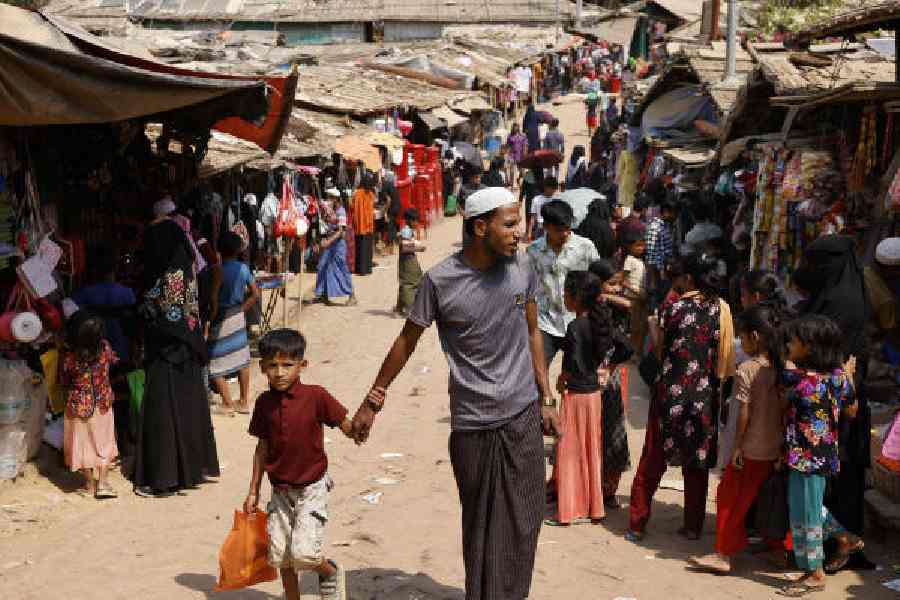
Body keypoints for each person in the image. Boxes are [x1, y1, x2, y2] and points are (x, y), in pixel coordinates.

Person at [350, 187, 561, 600]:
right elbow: (407, 340)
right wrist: (373, 400)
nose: (519, 233)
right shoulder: (440, 281)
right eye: (510, 223)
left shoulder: (522, 270)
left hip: (521, 414)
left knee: (524, 518)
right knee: (480, 525)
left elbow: (533, 329)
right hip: (472, 424)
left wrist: (547, 396)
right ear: (480, 226)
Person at [627, 252, 736, 541]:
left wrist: (652, 326)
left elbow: (663, 350)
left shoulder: (673, 308)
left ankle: (637, 522)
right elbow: (724, 358)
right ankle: (693, 526)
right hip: (703, 395)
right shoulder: (721, 310)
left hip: (670, 394)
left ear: (688, 279)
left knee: (653, 457)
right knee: (696, 461)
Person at [244, 329, 354, 600]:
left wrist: (359, 427)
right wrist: (253, 490)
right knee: (280, 555)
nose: (279, 372)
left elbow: (347, 426)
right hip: (280, 489)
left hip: (311, 486)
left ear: (302, 366)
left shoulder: (316, 396)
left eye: (287, 365)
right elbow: (261, 448)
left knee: (304, 553)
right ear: (262, 367)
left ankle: (328, 572)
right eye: (272, 365)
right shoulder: (263, 403)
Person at [791, 235, 873, 570]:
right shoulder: (838, 293)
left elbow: (825, 351)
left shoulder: (842, 301)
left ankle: (834, 546)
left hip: (834, 404)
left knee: (830, 477)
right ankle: (818, 544)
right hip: (829, 400)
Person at [691, 305, 787, 574]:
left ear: (754, 336)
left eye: (743, 337)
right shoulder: (782, 369)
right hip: (772, 447)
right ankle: (778, 547)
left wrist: (737, 447)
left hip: (750, 448)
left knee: (730, 499)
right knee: (768, 498)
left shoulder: (747, 369)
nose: (741, 342)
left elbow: (744, 411)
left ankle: (723, 554)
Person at [133, 198, 219, 497]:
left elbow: (159, 312)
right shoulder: (186, 269)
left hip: (168, 349)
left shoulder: (166, 279)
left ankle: (164, 477)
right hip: (189, 346)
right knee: (187, 408)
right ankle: (188, 470)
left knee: (163, 411)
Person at [777, 315, 861, 596]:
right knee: (806, 509)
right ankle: (843, 539)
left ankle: (815, 572)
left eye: (795, 340)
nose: (790, 343)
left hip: (810, 458)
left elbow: (849, 410)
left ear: (810, 347)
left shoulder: (800, 379)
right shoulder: (835, 379)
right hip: (809, 456)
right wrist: (846, 375)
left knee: (808, 513)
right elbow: (851, 410)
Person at [547, 270, 629, 526]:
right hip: (594, 395)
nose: (563, 297)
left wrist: (561, 381)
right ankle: (594, 506)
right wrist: (607, 366)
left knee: (569, 451)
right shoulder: (601, 322)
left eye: (566, 293)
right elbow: (627, 347)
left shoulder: (575, 327)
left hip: (576, 396)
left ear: (575, 297)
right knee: (591, 450)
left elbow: (570, 365)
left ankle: (570, 509)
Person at [528, 200, 601, 368]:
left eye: (568, 227)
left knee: (578, 376)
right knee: (535, 374)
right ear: (546, 226)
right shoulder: (533, 251)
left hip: (577, 321)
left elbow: (598, 277)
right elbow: (526, 288)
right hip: (545, 323)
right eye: (560, 230)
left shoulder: (585, 247)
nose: (566, 233)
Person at [62, 311, 119, 499]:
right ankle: (102, 483)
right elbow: (112, 360)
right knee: (104, 443)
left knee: (82, 445)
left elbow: (64, 378)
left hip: (79, 405)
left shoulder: (71, 357)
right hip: (103, 403)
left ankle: (88, 484)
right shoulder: (105, 348)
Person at [208, 232, 259, 415]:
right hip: (237, 316)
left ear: (219, 249)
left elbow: (213, 299)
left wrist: (210, 321)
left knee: (213, 361)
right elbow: (255, 294)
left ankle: (228, 402)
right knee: (242, 358)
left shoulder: (217, 270)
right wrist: (242, 309)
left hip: (222, 316)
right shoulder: (243, 269)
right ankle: (244, 401)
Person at [314, 191, 357, 307]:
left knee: (342, 269)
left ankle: (352, 295)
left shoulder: (341, 212)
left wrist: (328, 241)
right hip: (330, 244)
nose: (328, 200)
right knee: (323, 266)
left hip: (338, 245)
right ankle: (322, 294)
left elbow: (340, 232)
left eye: (330, 198)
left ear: (336, 199)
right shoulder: (331, 211)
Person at [645, 196, 678, 308]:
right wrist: (654, 279)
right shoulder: (655, 228)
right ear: (666, 212)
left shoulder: (665, 226)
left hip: (664, 272)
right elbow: (651, 256)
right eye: (673, 213)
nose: (675, 217)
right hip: (658, 275)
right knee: (657, 303)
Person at [621, 229, 648, 355]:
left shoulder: (641, 261)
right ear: (630, 247)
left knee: (641, 327)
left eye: (642, 245)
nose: (641, 248)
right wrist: (636, 291)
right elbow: (623, 280)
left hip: (641, 297)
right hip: (634, 298)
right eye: (637, 245)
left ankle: (637, 351)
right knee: (635, 327)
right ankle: (631, 352)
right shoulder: (629, 260)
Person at [395, 208, 426, 317]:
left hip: (407, 259)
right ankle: (409, 309)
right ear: (411, 220)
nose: (417, 223)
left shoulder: (406, 230)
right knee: (410, 284)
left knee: (406, 282)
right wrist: (419, 248)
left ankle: (399, 307)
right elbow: (405, 246)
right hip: (408, 260)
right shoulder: (406, 230)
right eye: (416, 221)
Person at [352, 175, 376, 276]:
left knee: (363, 248)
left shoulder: (364, 193)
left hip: (365, 225)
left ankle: (364, 269)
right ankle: (364, 269)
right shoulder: (359, 194)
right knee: (363, 248)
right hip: (362, 225)